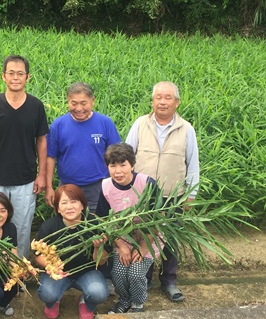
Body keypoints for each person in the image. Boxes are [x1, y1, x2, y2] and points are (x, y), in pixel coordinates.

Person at [125, 81, 200, 302]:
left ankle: (168, 281)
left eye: (168, 97)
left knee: (171, 240)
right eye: (158, 97)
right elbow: (127, 157)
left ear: (176, 102)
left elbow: (192, 164)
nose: (162, 102)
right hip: (144, 197)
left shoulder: (186, 129)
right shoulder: (140, 124)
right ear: (152, 101)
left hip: (172, 197)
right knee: (142, 238)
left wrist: (190, 195)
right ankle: (145, 279)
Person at [0, 54, 49, 258]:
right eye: (11, 73)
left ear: (28, 77)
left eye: (20, 74)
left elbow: (42, 141)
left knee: (22, 225)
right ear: (3, 76)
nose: (15, 78)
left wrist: (41, 174)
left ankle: (19, 267)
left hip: (25, 178)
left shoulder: (36, 106)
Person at [96, 143, 163, 314]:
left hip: (148, 238)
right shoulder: (106, 186)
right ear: (107, 167)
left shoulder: (147, 183)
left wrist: (142, 248)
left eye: (123, 165)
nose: (118, 171)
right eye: (113, 166)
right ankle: (124, 300)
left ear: (132, 165)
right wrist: (122, 245)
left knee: (135, 274)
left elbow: (157, 220)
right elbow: (104, 220)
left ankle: (138, 304)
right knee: (118, 273)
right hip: (122, 238)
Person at [35, 184, 109, 319]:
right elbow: (38, 255)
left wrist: (98, 248)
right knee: (47, 293)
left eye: (74, 201)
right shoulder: (49, 227)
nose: (69, 207)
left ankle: (87, 303)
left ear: (82, 205)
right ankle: (53, 302)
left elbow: (102, 261)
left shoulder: (94, 225)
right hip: (60, 273)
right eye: (64, 203)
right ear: (58, 208)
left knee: (99, 293)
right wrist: (51, 267)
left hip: (86, 272)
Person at [45, 82, 121, 213]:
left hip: (98, 186)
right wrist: (49, 187)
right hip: (67, 187)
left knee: (96, 226)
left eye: (83, 103)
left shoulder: (105, 123)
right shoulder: (58, 125)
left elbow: (116, 156)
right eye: (74, 103)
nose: (79, 108)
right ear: (67, 101)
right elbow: (51, 157)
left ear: (92, 101)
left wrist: (116, 185)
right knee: (68, 226)